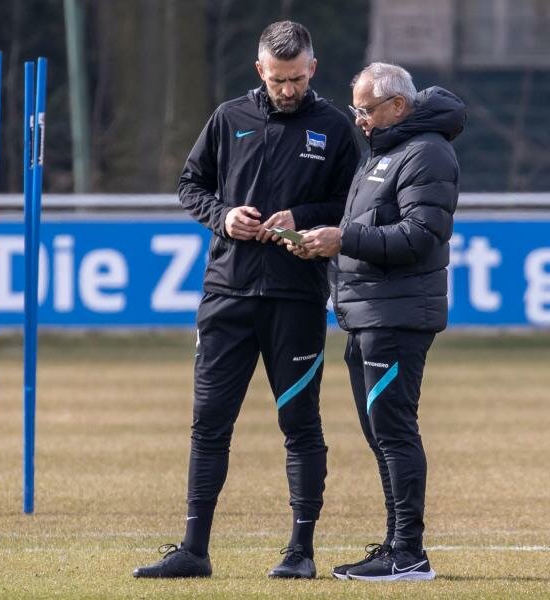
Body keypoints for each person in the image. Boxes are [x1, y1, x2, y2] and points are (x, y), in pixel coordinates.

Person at [132, 20, 359, 579]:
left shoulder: (333, 127)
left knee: (301, 425)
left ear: (313, 68)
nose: (288, 89)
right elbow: (191, 185)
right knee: (209, 423)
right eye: (279, 79)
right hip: (226, 296)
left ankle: (301, 552)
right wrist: (223, 216)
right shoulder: (229, 117)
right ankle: (193, 550)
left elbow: (352, 203)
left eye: (297, 79)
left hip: (296, 298)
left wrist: (303, 218)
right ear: (260, 70)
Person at [286, 62, 465, 581]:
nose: (359, 120)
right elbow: (364, 229)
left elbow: (419, 236)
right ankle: (395, 545)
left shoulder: (427, 152)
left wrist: (344, 240)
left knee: (394, 431)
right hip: (366, 312)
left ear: (398, 107)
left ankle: (409, 552)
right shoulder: (384, 154)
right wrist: (321, 239)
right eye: (356, 110)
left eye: (365, 110)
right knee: (380, 433)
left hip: (397, 315)